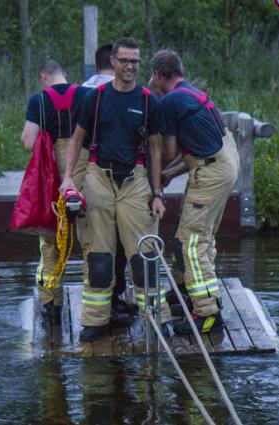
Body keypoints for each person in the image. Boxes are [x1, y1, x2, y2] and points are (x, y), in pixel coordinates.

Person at [60, 37, 171, 342]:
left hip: (135, 181)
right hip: (98, 177)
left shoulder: (148, 100)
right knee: (99, 256)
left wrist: (157, 193)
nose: (130, 67)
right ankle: (96, 320)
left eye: (135, 61)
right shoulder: (94, 98)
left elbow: (155, 149)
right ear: (113, 62)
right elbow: (76, 139)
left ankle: (158, 319)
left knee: (143, 255)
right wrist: (68, 178)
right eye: (124, 60)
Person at [150, 49, 240, 334]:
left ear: (158, 75)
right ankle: (183, 293)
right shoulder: (189, 93)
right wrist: (166, 176)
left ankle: (208, 312)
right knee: (191, 234)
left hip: (212, 170)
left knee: (191, 241)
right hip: (222, 162)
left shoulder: (170, 101)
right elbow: (191, 155)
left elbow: (170, 151)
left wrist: (152, 177)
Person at [20, 59, 92, 323]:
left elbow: (29, 141)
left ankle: (52, 307)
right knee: (91, 239)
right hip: (84, 169)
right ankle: (95, 311)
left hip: (52, 173)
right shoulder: (87, 95)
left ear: (43, 77)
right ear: (65, 74)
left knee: (50, 241)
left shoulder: (38, 101)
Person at [81, 44, 136, 318]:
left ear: (95, 63)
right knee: (127, 245)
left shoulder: (83, 92)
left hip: (89, 178)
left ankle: (97, 312)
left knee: (97, 247)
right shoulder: (125, 95)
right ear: (113, 62)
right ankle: (117, 299)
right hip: (126, 178)